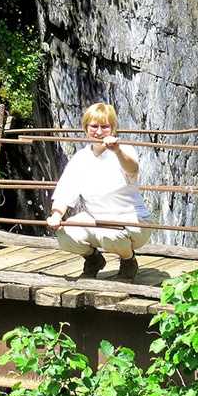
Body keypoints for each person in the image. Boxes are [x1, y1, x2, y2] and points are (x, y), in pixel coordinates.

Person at [46, 102, 153, 283]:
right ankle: (93, 259)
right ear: (86, 128)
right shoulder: (80, 158)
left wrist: (116, 150)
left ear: (113, 128)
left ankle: (129, 261)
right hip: (95, 218)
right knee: (64, 235)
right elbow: (65, 191)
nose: (99, 131)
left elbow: (132, 169)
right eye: (94, 126)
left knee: (109, 233)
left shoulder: (124, 150)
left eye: (105, 126)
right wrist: (56, 215)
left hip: (132, 220)